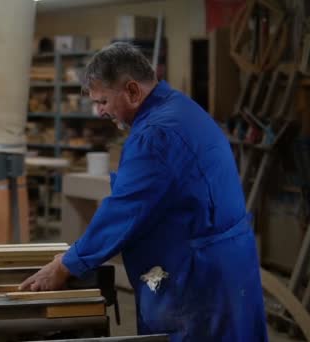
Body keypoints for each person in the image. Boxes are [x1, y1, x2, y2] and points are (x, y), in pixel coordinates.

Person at [19, 42, 268, 341]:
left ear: (133, 91)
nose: (99, 112)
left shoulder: (155, 135)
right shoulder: (179, 106)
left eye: (103, 101)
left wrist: (65, 265)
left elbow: (125, 210)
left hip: (199, 279)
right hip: (225, 264)